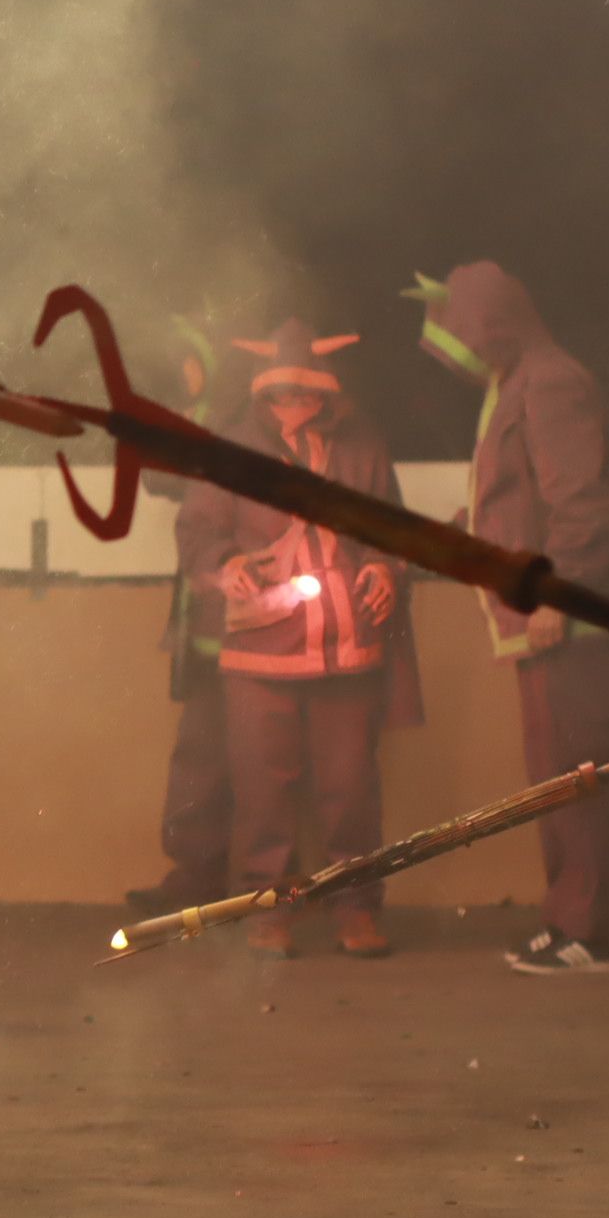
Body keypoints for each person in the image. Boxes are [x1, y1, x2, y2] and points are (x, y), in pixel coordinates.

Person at [410, 265, 609, 973]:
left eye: (460, 327)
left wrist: (557, 593)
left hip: (568, 627)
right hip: (545, 623)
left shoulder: (550, 381)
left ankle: (589, 934)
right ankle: (569, 924)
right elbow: (517, 499)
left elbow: (584, 504)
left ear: (489, 321)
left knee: (577, 781)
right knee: (559, 781)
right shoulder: (521, 379)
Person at [190, 319, 423, 959]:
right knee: (264, 791)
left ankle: (356, 909)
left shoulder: (362, 442)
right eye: (282, 395)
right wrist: (224, 565)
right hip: (259, 650)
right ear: (263, 395)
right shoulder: (231, 450)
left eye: (306, 394)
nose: (295, 406)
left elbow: (390, 525)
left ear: (328, 392)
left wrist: (382, 567)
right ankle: (270, 913)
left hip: (347, 648)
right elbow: (200, 532)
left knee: (350, 789)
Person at [125, 316, 244, 920]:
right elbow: (155, 475)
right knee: (202, 748)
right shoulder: (204, 419)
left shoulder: (233, 426)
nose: (184, 373)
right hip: (204, 624)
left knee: (249, 754)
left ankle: (233, 883)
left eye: (192, 363)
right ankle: (196, 875)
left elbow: (163, 472)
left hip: (245, 624)